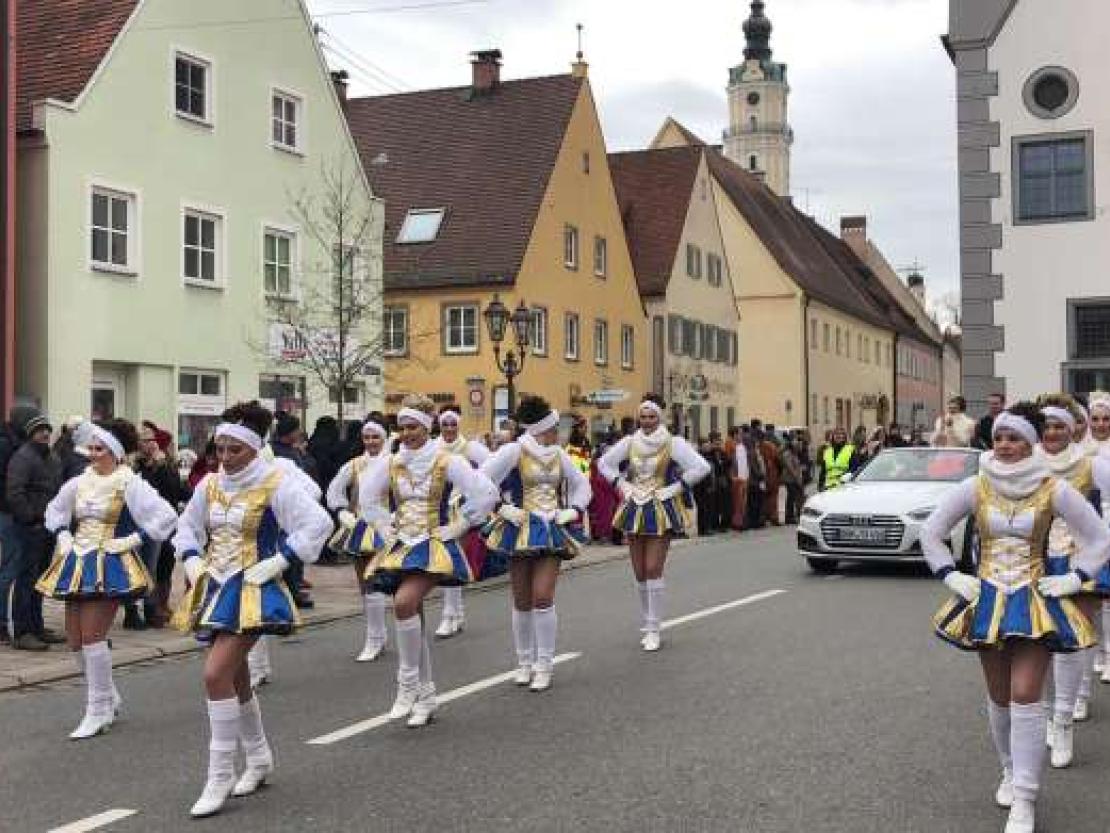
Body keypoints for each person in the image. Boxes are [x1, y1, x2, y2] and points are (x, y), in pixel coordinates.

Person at [921, 403, 1110, 833]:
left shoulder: (1052, 487)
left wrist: (1077, 576)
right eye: (1000, 438)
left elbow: (1100, 537)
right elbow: (932, 532)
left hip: (1034, 600)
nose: (1005, 446)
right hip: (988, 600)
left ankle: (1025, 798)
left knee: (1026, 693)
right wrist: (950, 574)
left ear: (1030, 443)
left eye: (1015, 438)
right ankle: (1008, 770)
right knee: (1001, 696)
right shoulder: (977, 485)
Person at [172, 402, 332, 818]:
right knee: (236, 678)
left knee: (214, 674)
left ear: (253, 448)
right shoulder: (209, 484)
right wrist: (191, 560)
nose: (224, 458)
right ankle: (258, 758)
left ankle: (219, 772)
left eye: (234, 450)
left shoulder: (274, 481)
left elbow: (317, 523)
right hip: (215, 585)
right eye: (219, 449)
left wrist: (280, 560)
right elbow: (186, 527)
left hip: (253, 588)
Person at [357, 394, 498, 727]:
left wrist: (462, 523)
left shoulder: (446, 460)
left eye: (413, 427)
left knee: (404, 603)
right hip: (401, 543)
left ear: (426, 427)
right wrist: (382, 523)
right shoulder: (390, 462)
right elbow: (367, 497)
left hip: (433, 544)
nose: (406, 434)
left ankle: (406, 685)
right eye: (402, 427)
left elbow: (485, 491)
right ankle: (426, 695)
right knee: (412, 618)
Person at [36, 418, 177, 739]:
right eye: (92, 448)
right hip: (77, 561)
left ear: (115, 452)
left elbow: (166, 516)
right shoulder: (79, 482)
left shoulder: (129, 483)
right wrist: (62, 536)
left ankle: (97, 709)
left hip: (111, 564)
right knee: (74, 639)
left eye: (100, 449)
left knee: (92, 636)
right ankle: (108, 696)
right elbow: (54, 511)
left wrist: (133, 540)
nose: (93, 454)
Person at [480, 396, 590, 690]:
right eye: (556, 426)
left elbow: (582, 485)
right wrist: (501, 507)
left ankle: (545, 663)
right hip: (519, 527)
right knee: (521, 599)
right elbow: (479, 479)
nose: (559, 432)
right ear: (543, 428)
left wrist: (574, 510)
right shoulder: (514, 451)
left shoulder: (559, 454)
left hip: (551, 527)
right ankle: (524, 662)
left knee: (542, 596)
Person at [1032, 395, 1110, 768]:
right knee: (1037, 640)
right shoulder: (1023, 464)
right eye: (1046, 426)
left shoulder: (1090, 465)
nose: (1052, 432)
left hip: (1077, 557)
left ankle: (1064, 718)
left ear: (1072, 428)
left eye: (1060, 425)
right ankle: (1048, 711)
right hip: (1032, 560)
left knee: (1073, 636)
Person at [599, 395, 710, 652]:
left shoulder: (673, 443)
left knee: (652, 568)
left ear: (659, 418)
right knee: (639, 571)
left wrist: (676, 488)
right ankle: (646, 621)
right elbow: (604, 463)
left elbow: (702, 467)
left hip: (660, 506)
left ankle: (654, 628)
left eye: (652, 417)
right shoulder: (629, 442)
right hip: (634, 505)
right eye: (643, 417)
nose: (647, 422)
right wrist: (621, 484)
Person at [327, 418, 391, 662]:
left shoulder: (394, 463)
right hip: (362, 528)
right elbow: (333, 490)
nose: (371, 442)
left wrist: (396, 517)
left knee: (392, 582)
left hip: (389, 528)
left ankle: (406, 633)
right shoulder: (355, 465)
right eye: (367, 437)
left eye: (376, 437)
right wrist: (342, 512)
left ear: (384, 438)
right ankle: (375, 637)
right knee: (367, 582)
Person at [6, 410, 66, 651]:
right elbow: (15, 492)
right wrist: (31, 518)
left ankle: (37, 626)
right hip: (29, 527)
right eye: (40, 430)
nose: (45, 433)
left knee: (41, 580)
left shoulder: (53, 457)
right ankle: (22, 632)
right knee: (26, 579)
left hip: (48, 527)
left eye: (48, 430)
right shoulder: (23, 457)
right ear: (31, 434)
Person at [432, 408, 491, 638]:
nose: (448, 429)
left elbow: (493, 469)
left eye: (452, 424)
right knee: (448, 560)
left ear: (458, 425)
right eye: (444, 425)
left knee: (455, 559)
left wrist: (477, 492)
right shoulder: (433, 449)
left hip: (463, 511)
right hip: (439, 509)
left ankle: (450, 614)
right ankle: (455, 613)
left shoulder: (471, 449)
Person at [128, 422, 189, 629]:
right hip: (141, 523)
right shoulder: (134, 467)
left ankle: (155, 607)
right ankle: (138, 610)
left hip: (164, 522)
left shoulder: (165, 464)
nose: (151, 444)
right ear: (139, 445)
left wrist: (164, 467)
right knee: (141, 567)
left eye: (153, 440)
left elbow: (175, 490)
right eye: (146, 441)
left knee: (162, 566)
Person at [817, 426, 859, 491]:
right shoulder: (827, 451)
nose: (839, 436)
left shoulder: (850, 449)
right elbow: (823, 471)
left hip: (844, 486)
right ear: (833, 436)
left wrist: (847, 476)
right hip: (828, 487)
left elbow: (854, 467)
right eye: (836, 434)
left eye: (841, 434)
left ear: (844, 437)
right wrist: (820, 486)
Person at [781, 435, 805, 525]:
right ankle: (789, 517)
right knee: (791, 498)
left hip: (795, 479)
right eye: (795, 442)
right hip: (790, 479)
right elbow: (790, 468)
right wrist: (797, 478)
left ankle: (792, 516)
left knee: (794, 497)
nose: (797, 444)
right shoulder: (787, 454)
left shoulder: (794, 453)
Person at [729, 426, 749, 531]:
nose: (741, 436)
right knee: (737, 502)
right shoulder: (732, 446)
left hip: (744, 477)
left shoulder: (742, 447)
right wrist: (733, 476)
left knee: (743, 503)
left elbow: (745, 463)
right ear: (735, 435)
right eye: (740, 434)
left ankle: (742, 521)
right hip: (737, 479)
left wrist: (747, 475)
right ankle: (737, 523)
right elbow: (731, 464)